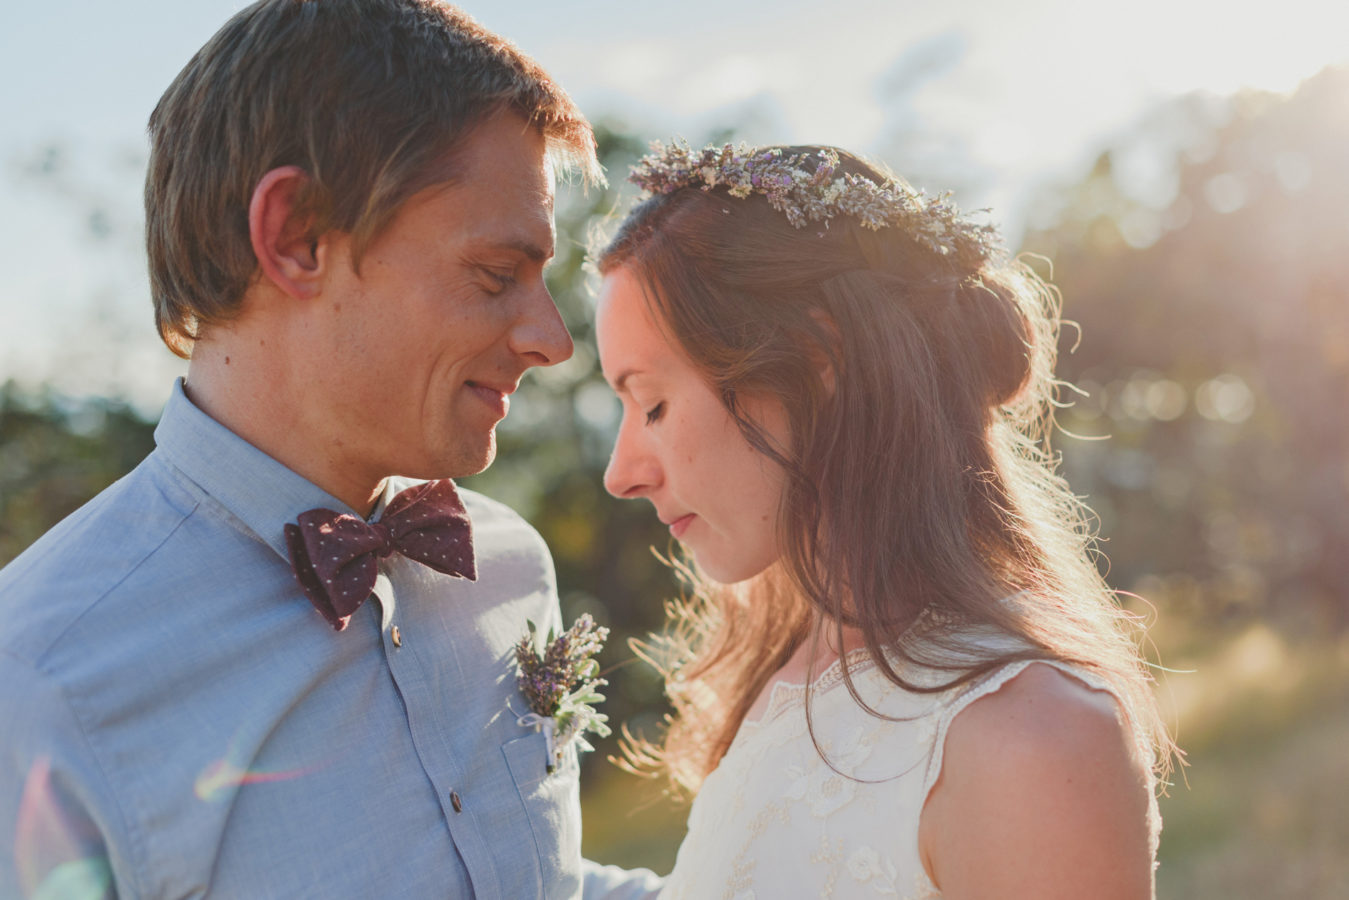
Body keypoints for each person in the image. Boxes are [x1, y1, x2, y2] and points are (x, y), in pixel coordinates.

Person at [0, 2, 662, 898]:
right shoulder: (40, 683)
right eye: (495, 276)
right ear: (297, 236)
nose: (551, 339)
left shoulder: (507, 567)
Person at [595, 142, 1174, 898]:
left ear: (814, 355)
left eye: (653, 405)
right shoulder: (782, 685)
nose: (620, 472)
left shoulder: (1032, 741)